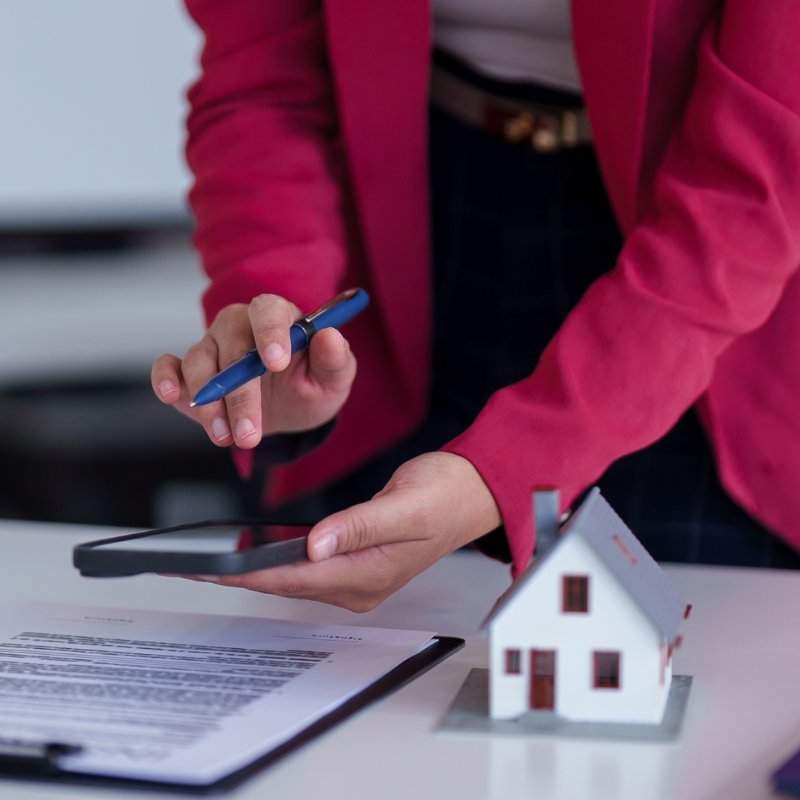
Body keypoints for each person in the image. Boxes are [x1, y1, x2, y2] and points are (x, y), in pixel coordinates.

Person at [152, 0, 800, 611]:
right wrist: (281, 305)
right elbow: (263, 81)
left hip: (707, 312)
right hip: (403, 222)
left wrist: (505, 471)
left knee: (683, 655)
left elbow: (748, 188)